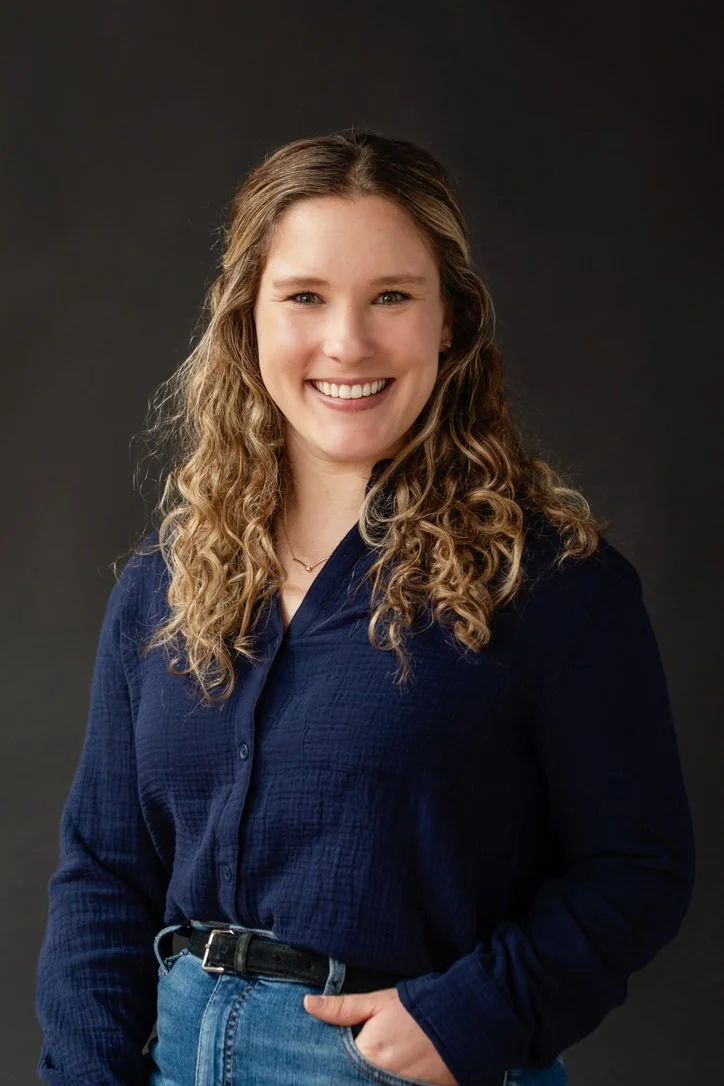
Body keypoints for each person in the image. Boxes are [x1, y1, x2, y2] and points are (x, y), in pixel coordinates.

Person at [34, 128, 696, 1086]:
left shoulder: (552, 585)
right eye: (304, 296)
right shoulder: (163, 585)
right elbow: (103, 872)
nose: (348, 342)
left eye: (392, 296)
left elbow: (639, 866)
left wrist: (476, 1015)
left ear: (449, 321)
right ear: (247, 318)